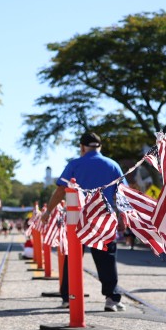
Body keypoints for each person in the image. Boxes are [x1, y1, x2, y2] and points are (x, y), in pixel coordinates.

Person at [41, 131, 127, 311]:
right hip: (103, 217)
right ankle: (111, 298)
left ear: (82, 147)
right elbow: (122, 194)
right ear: (100, 146)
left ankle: (68, 297)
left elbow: (60, 191)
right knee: (107, 260)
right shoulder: (113, 165)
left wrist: (48, 211)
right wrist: (122, 217)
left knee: (72, 257)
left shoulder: (75, 165)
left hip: (77, 219)